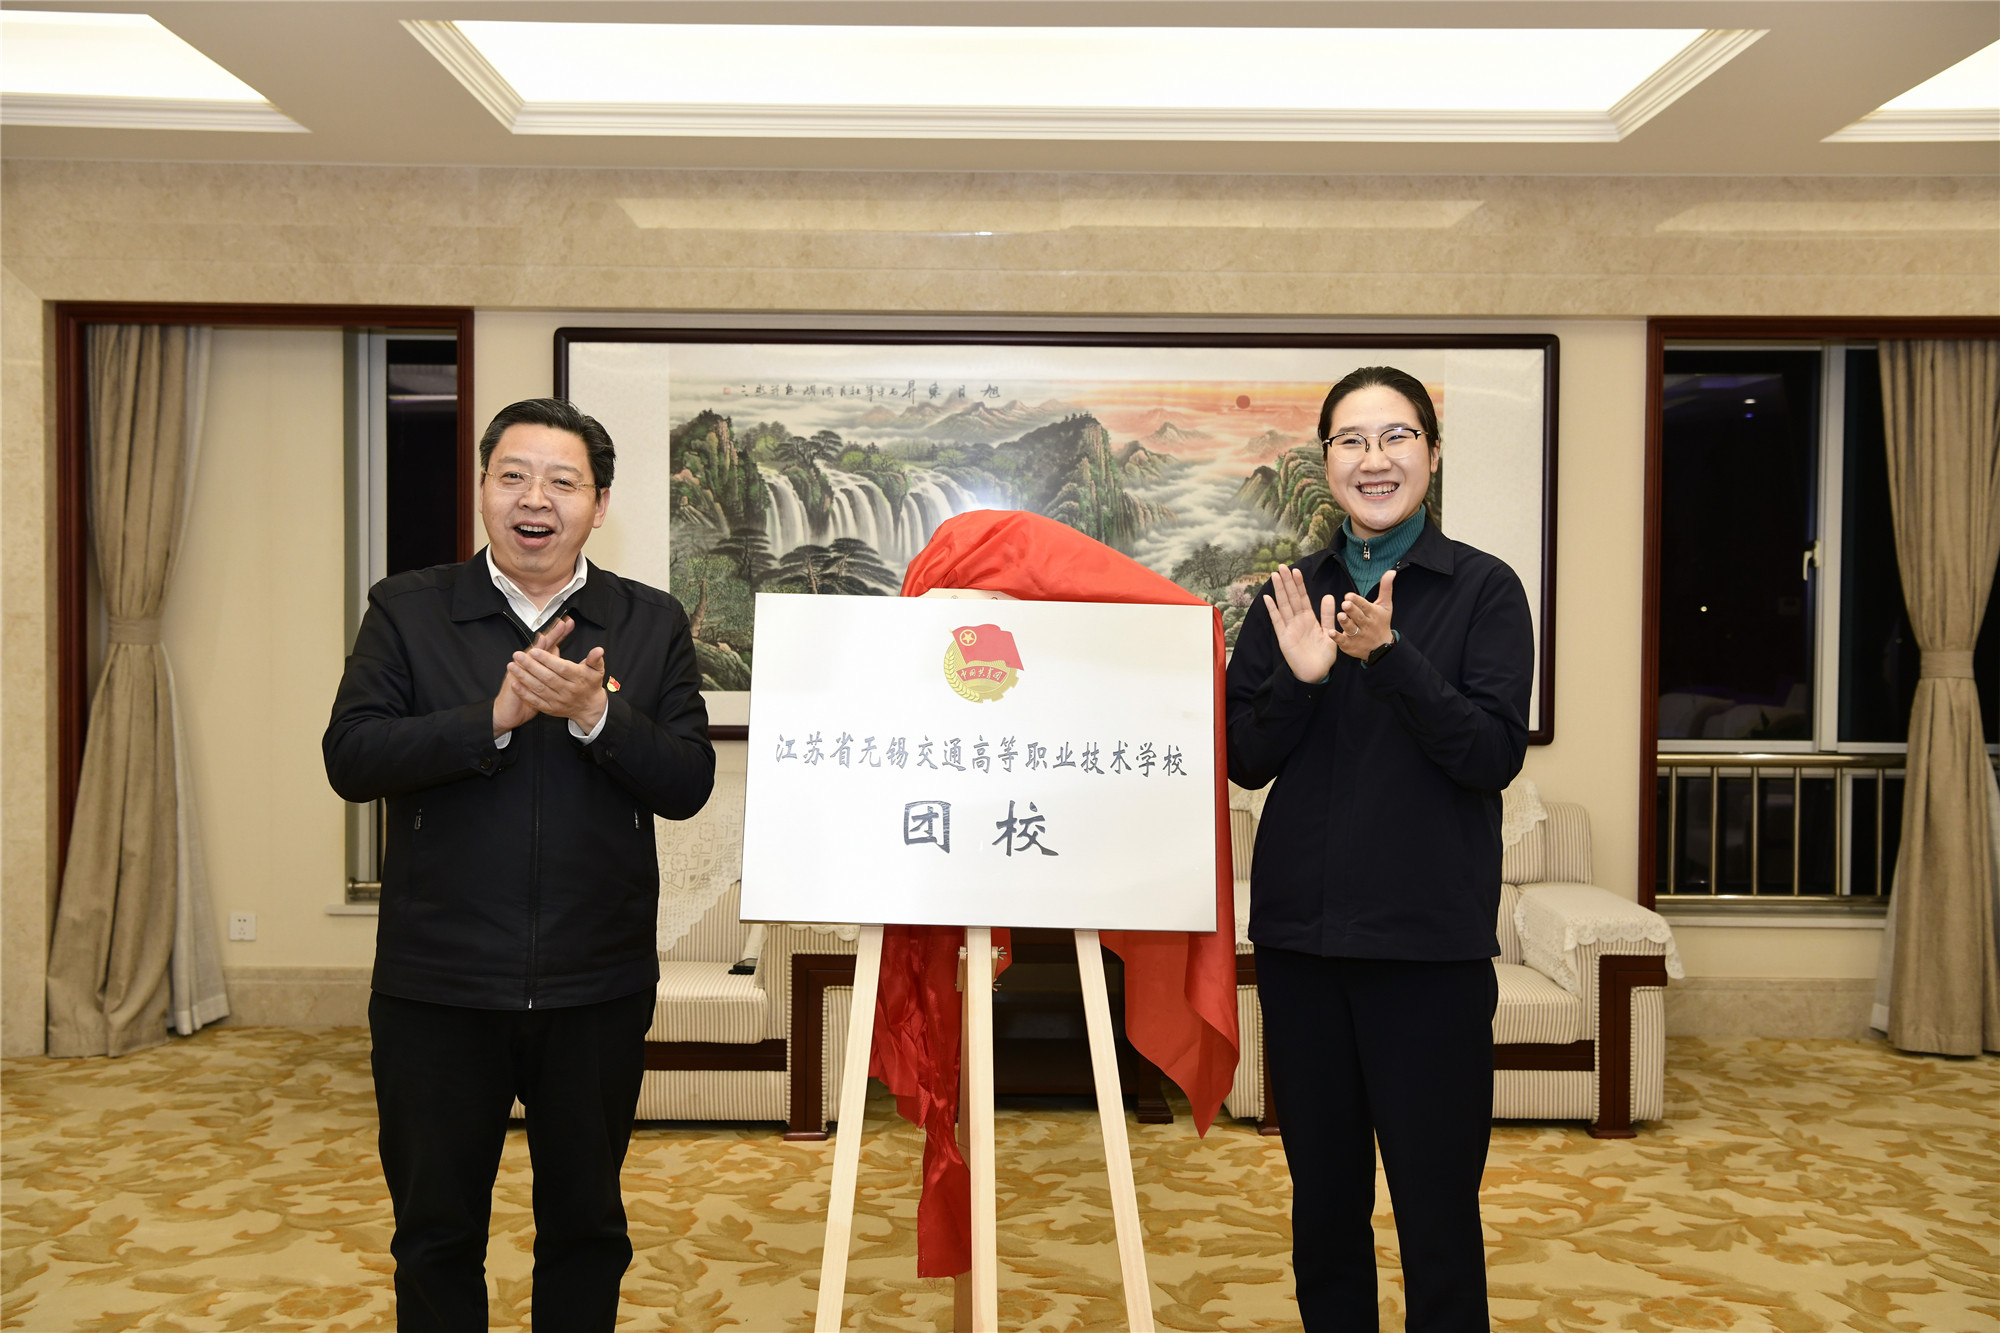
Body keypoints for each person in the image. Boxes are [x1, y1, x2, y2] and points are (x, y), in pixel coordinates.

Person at [323, 397, 715, 1331]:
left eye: (562, 482)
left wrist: (596, 716)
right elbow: (352, 757)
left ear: (599, 504)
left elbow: (687, 780)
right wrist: (491, 718)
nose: (534, 499)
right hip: (438, 983)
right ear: (483, 490)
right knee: (434, 1232)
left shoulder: (648, 621)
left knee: (586, 1228)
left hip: (595, 982)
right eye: (513, 476)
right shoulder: (407, 610)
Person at [1226, 366, 1533, 1332]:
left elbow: (1490, 754)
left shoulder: (1484, 589)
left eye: (1397, 436)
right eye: (1352, 440)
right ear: (1326, 462)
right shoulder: (1288, 594)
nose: (1375, 458)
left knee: (1436, 1215)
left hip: (1427, 952)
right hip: (1302, 947)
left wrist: (1390, 658)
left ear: (1431, 455)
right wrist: (1303, 678)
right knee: (1324, 1209)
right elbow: (1243, 758)